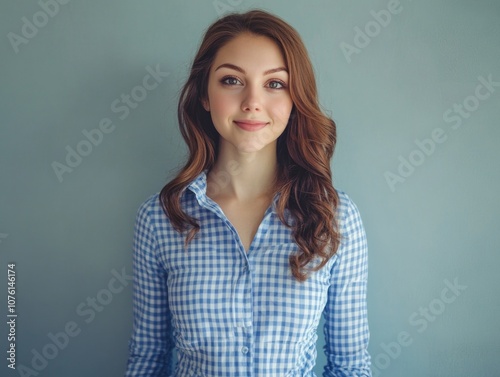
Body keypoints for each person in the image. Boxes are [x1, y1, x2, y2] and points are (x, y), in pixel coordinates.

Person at [125, 9, 371, 377]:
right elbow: (148, 361)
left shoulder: (334, 218)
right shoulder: (160, 218)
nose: (252, 101)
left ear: (294, 99)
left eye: (274, 84)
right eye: (231, 80)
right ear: (204, 95)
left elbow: (350, 366)